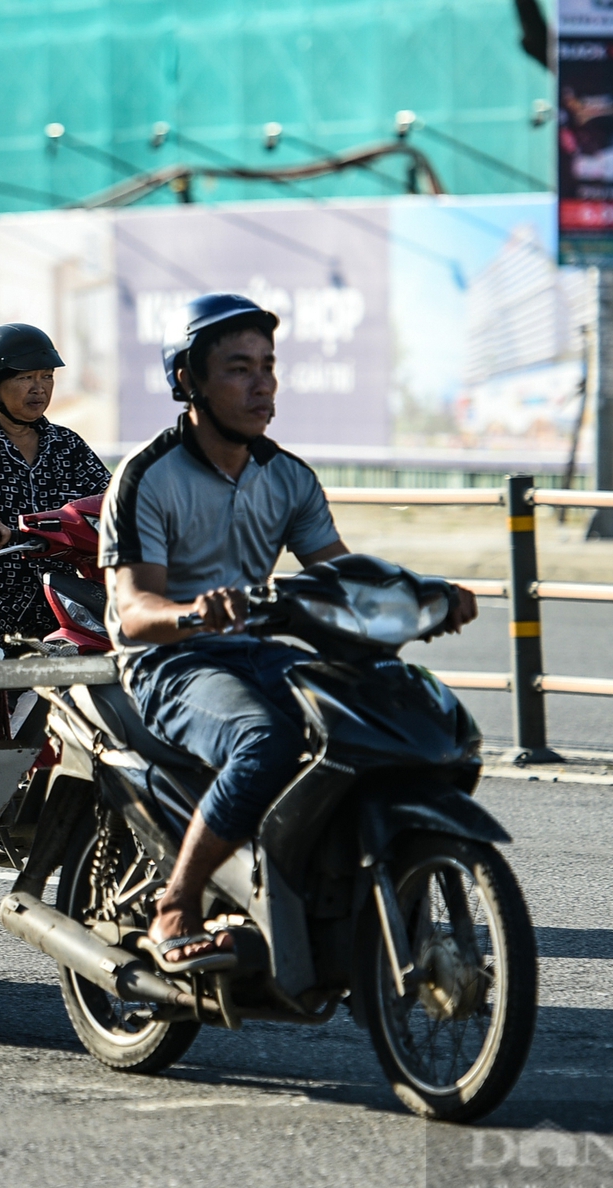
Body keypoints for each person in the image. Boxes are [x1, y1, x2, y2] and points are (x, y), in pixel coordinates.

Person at [97, 294, 477, 973]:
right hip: (171, 663)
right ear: (188, 380)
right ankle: (176, 904)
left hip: (260, 650)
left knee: (380, 722)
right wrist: (194, 613)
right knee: (265, 739)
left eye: (269, 366)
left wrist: (426, 595)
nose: (263, 383)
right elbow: (132, 609)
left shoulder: (288, 477)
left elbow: (342, 576)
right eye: (239, 368)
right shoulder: (147, 476)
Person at [0, 323, 114, 652]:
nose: (39, 389)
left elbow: (113, 500)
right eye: (25, 378)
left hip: (65, 597)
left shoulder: (66, 443)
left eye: (47, 377)